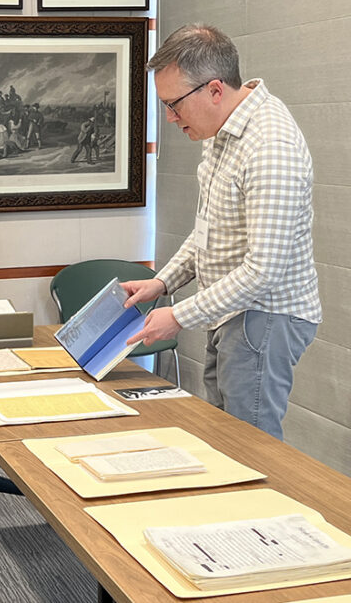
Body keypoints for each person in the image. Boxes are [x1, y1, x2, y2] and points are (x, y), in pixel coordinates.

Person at [121, 24, 321, 441]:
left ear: (214, 90)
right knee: (222, 435)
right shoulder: (222, 131)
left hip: (264, 314)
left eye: (174, 105)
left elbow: (263, 271)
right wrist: (162, 282)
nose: (170, 118)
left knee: (250, 445)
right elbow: (208, 230)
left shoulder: (270, 146)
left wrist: (177, 315)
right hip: (232, 311)